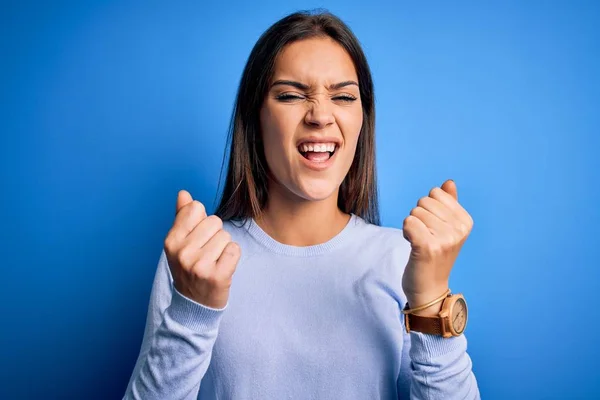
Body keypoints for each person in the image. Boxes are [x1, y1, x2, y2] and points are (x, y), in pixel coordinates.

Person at [123, 10, 480, 400]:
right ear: (255, 117)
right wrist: (194, 311)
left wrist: (431, 298)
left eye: (343, 96)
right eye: (291, 95)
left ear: (363, 119)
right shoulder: (197, 258)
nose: (321, 116)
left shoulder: (401, 259)